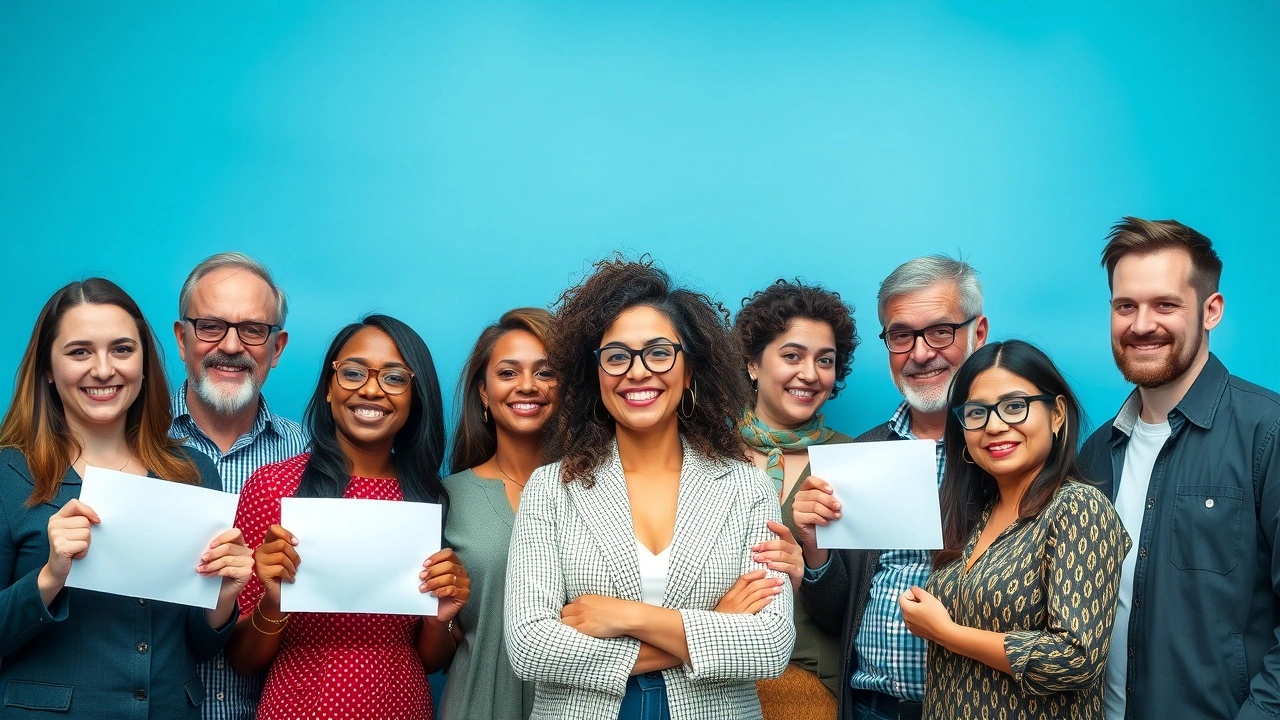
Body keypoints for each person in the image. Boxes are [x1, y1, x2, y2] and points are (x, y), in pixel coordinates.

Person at [505, 257, 795, 719]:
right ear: (594, 374)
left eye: (659, 352)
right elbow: (530, 646)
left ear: (691, 370)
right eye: (617, 356)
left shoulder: (747, 488)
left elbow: (769, 646)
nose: (637, 372)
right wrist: (717, 626)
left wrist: (628, 617)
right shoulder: (551, 488)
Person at [0, 278, 253, 718]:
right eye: (79, 351)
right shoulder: (9, 473)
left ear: (143, 362)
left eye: (122, 349)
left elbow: (197, 644)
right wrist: (49, 577)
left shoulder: (192, 472)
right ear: (47, 368)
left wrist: (224, 597)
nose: (103, 370)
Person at [1079, 218, 1280, 720]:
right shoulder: (1096, 452)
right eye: (1126, 306)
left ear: (1211, 311)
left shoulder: (1268, 433)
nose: (1142, 324)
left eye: (1165, 304)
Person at [224, 314, 470, 720]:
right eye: (353, 373)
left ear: (415, 396)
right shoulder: (273, 489)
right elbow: (243, 661)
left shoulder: (428, 497)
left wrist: (441, 617)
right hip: (300, 705)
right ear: (328, 388)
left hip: (403, 705)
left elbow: (429, 661)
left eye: (394, 378)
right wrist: (274, 601)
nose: (371, 390)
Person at [793, 255, 989, 720]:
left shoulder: (1006, 450)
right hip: (871, 707)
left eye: (940, 331)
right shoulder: (868, 452)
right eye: (902, 335)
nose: (921, 353)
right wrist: (815, 552)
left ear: (978, 334)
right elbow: (839, 613)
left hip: (974, 706)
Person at [898, 340, 1128, 719]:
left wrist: (946, 633)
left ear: (1056, 415)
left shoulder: (1078, 507)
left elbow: (1075, 658)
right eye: (977, 413)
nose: (995, 425)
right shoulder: (974, 515)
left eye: (1014, 407)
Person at [171, 252, 308, 720]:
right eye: (210, 325)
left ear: (278, 346)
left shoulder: (317, 461)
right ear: (181, 338)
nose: (230, 346)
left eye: (252, 330)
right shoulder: (128, 448)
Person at [733, 279, 859, 718]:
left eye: (825, 361)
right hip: (708, 674)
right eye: (792, 356)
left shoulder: (853, 459)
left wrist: (811, 564)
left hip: (808, 683)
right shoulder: (701, 453)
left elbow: (855, 609)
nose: (810, 373)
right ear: (752, 363)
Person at [441, 307, 556, 720]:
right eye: (508, 373)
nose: (527, 386)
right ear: (484, 393)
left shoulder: (599, 491)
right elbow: (434, 647)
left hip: (580, 705)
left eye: (545, 372)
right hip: (476, 705)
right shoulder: (448, 497)